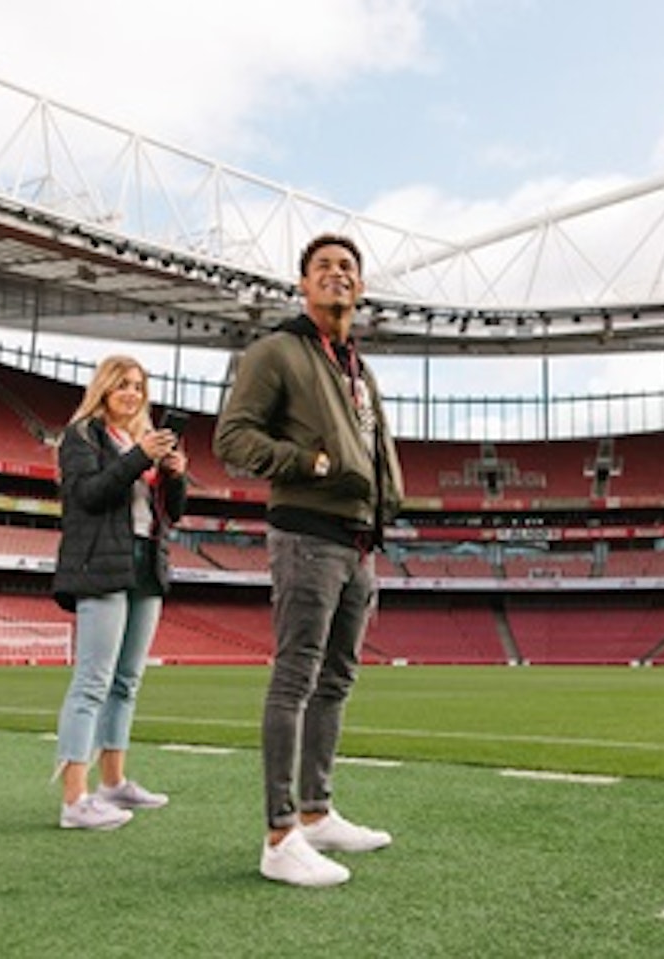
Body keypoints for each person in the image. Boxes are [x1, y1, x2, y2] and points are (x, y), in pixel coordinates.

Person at [213, 233, 405, 886]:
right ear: (302, 285)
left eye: (347, 267)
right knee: (296, 677)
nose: (336, 274)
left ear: (361, 286)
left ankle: (318, 811)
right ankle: (279, 833)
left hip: (358, 539)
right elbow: (232, 435)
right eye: (322, 267)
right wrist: (305, 462)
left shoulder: (357, 365)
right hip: (307, 534)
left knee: (337, 679)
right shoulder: (276, 351)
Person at [50, 354, 188, 830]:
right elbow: (88, 495)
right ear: (104, 390)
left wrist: (174, 473)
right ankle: (74, 799)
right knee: (93, 681)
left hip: (146, 563)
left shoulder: (139, 441)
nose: (132, 393)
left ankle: (113, 782)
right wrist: (139, 458)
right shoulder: (82, 436)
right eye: (123, 384)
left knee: (127, 682)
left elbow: (175, 514)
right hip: (102, 566)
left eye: (138, 386)